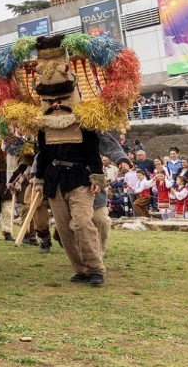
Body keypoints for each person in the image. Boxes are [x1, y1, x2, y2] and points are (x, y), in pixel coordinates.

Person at [28, 34, 114, 286]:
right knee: (65, 229)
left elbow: (92, 150)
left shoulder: (85, 122)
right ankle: (81, 269)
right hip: (54, 180)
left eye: (60, 100)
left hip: (79, 178)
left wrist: (97, 176)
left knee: (82, 223)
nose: (56, 105)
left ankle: (96, 267)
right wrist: (40, 179)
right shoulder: (44, 126)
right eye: (51, 101)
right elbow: (43, 154)